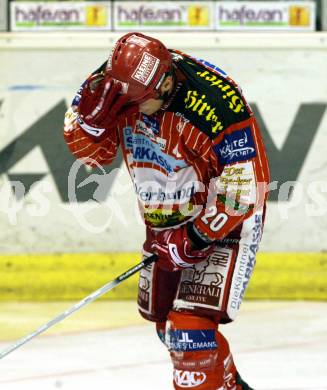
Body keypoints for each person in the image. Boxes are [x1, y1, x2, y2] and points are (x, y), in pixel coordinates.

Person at [63, 32, 270, 390]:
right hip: (163, 216)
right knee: (167, 327)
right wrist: (89, 129)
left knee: (189, 334)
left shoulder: (218, 102)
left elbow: (246, 187)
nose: (128, 110)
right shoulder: (108, 84)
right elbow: (93, 159)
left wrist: (196, 236)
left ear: (164, 84)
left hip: (225, 219)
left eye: (138, 103)